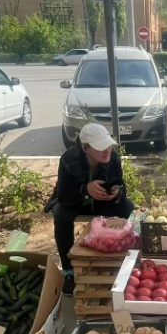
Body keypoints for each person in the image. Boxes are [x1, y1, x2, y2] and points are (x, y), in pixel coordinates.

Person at [44, 123, 135, 296]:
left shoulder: (113, 158)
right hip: (74, 201)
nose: (107, 151)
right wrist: (85, 190)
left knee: (128, 207)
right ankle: (69, 271)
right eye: (101, 147)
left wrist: (117, 193)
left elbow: (121, 185)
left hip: (102, 201)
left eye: (109, 145)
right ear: (85, 148)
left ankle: (121, 260)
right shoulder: (68, 160)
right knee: (61, 215)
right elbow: (63, 196)